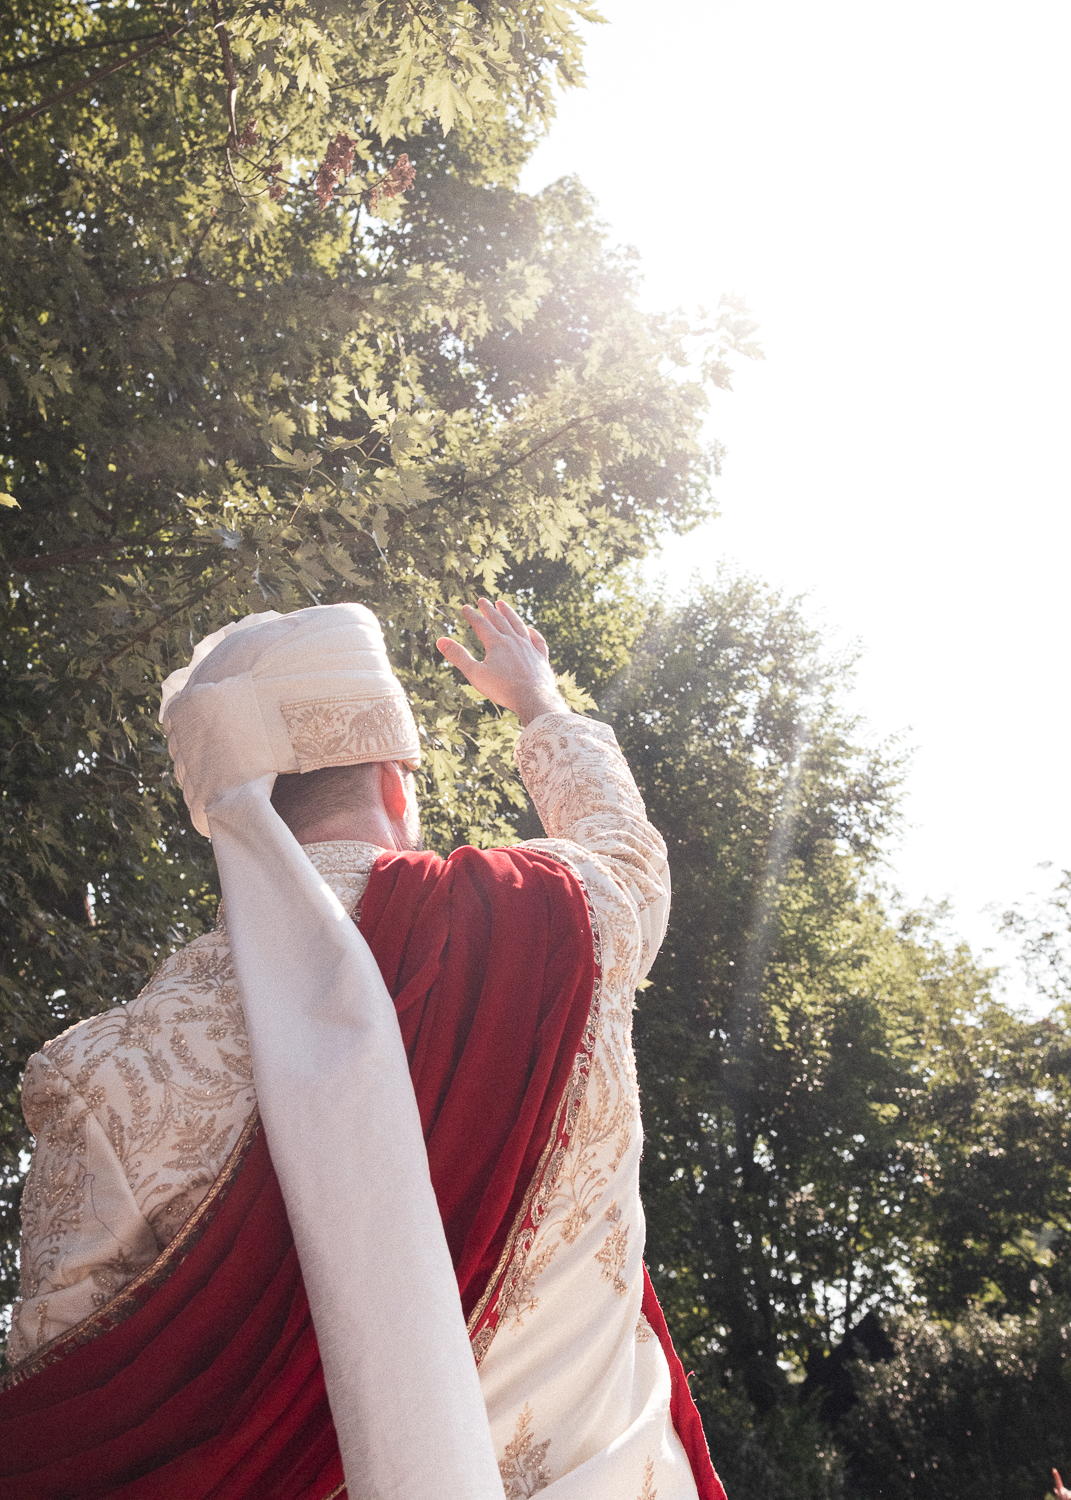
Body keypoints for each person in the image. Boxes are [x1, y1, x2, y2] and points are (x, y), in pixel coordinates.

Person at [1, 598, 725, 1500]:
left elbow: (63, 1411)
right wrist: (538, 705)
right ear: (394, 783)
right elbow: (625, 850)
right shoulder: (560, 914)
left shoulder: (101, 1073)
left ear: (232, 820)